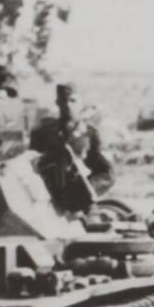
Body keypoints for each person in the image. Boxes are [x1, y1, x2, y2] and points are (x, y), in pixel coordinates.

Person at [33, 82, 115, 213]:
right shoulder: (44, 131)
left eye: (73, 101)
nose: (68, 105)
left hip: (76, 203)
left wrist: (85, 190)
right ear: (57, 103)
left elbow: (107, 174)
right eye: (63, 101)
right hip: (44, 197)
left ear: (81, 103)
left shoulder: (90, 133)